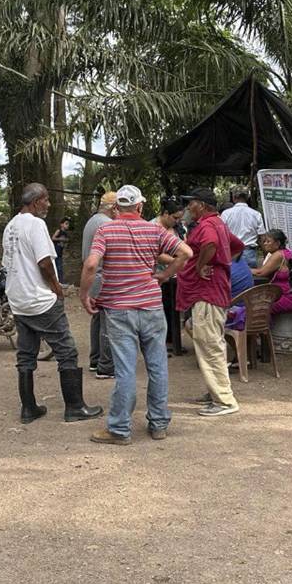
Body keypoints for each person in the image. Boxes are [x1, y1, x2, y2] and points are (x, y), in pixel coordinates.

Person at [81, 185, 192, 444]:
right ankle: (159, 424)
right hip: (151, 307)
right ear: (140, 206)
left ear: (117, 207)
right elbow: (186, 253)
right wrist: (164, 275)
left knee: (126, 369)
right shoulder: (154, 230)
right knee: (158, 367)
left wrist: (84, 294)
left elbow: (91, 264)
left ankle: (120, 429)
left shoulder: (106, 230)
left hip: (119, 309)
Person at [4, 183, 102, 423]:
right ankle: (75, 407)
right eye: (46, 200)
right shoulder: (36, 224)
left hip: (18, 299)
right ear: (36, 201)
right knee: (67, 351)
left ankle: (28, 408)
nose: (48, 204)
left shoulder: (11, 225)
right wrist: (57, 288)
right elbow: (45, 262)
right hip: (40, 299)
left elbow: (8, 263)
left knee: (26, 354)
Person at [177, 187, 239, 417]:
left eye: (191, 203)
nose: (188, 207)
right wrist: (222, 263)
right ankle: (217, 391)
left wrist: (203, 265)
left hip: (207, 292)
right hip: (214, 290)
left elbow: (210, 244)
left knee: (209, 344)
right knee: (211, 342)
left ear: (201, 205)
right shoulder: (218, 223)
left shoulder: (207, 225)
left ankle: (224, 401)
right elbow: (237, 245)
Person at [83, 191, 118, 378]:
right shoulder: (107, 224)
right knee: (108, 322)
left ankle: (95, 359)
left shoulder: (92, 221)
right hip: (102, 276)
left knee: (97, 320)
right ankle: (105, 365)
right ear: (114, 208)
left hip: (92, 278)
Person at [152, 197, 187, 354]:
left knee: (174, 309)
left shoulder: (178, 228)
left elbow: (184, 246)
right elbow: (156, 254)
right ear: (166, 213)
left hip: (176, 276)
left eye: (179, 218)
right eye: (175, 217)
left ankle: (174, 340)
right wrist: (177, 261)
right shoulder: (152, 226)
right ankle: (161, 344)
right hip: (159, 276)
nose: (177, 221)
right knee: (160, 310)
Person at [251, 229, 292, 315]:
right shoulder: (286, 252)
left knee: (255, 309)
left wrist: (245, 270)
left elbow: (260, 273)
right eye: (264, 241)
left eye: (268, 241)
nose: (265, 244)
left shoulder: (278, 255)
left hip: (288, 297)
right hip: (290, 294)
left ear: (277, 243)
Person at [221, 188, 265, 267]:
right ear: (247, 198)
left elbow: (221, 235)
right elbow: (262, 237)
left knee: (231, 274)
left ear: (234, 198)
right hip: (249, 253)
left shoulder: (226, 214)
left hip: (231, 253)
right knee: (250, 274)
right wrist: (265, 254)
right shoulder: (256, 214)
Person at [51, 217, 72, 283]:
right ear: (61, 224)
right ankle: (60, 281)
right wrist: (60, 239)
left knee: (59, 267)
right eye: (66, 223)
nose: (68, 225)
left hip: (60, 252)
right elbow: (53, 238)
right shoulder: (59, 231)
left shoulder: (65, 233)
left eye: (68, 224)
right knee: (58, 267)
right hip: (55, 251)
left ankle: (60, 281)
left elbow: (66, 241)